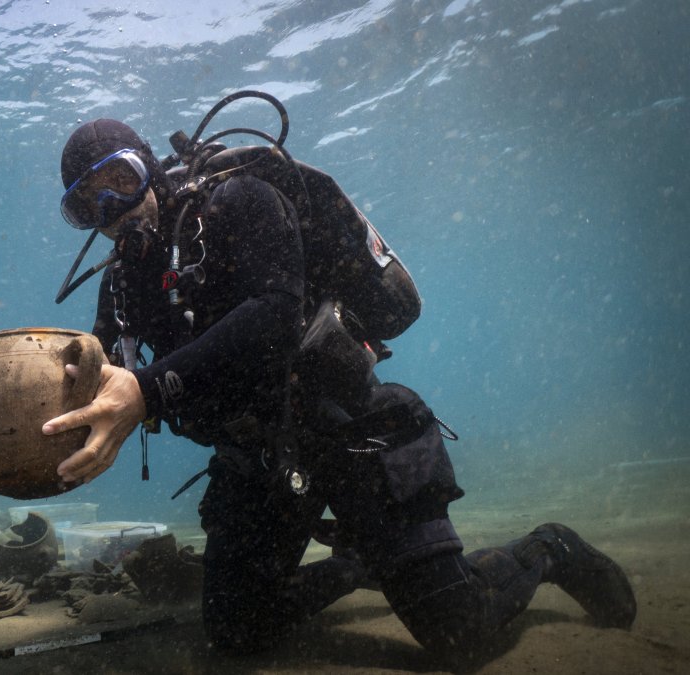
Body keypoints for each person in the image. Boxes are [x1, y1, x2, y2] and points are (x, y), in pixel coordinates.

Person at [39, 96, 637, 665]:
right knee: (235, 630)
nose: (109, 211)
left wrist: (147, 389)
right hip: (261, 458)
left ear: (149, 165)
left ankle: (551, 548)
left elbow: (274, 314)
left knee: (462, 635)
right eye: (84, 204)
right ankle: (363, 564)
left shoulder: (240, 199)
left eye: (120, 179)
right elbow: (105, 374)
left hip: (354, 429)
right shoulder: (123, 284)